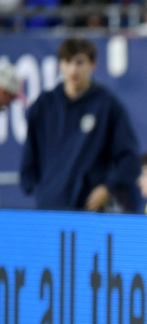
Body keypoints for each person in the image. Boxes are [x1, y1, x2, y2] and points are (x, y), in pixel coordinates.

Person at [19, 37, 140, 212]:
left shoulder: (107, 105)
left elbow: (129, 157)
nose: (73, 69)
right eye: (67, 62)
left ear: (93, 64)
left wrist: (107, 187)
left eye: (80, 62)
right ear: (60, 65)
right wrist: (40, 189)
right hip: (49, 205)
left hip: (89, 209)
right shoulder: (44, 105)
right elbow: (30, 154)